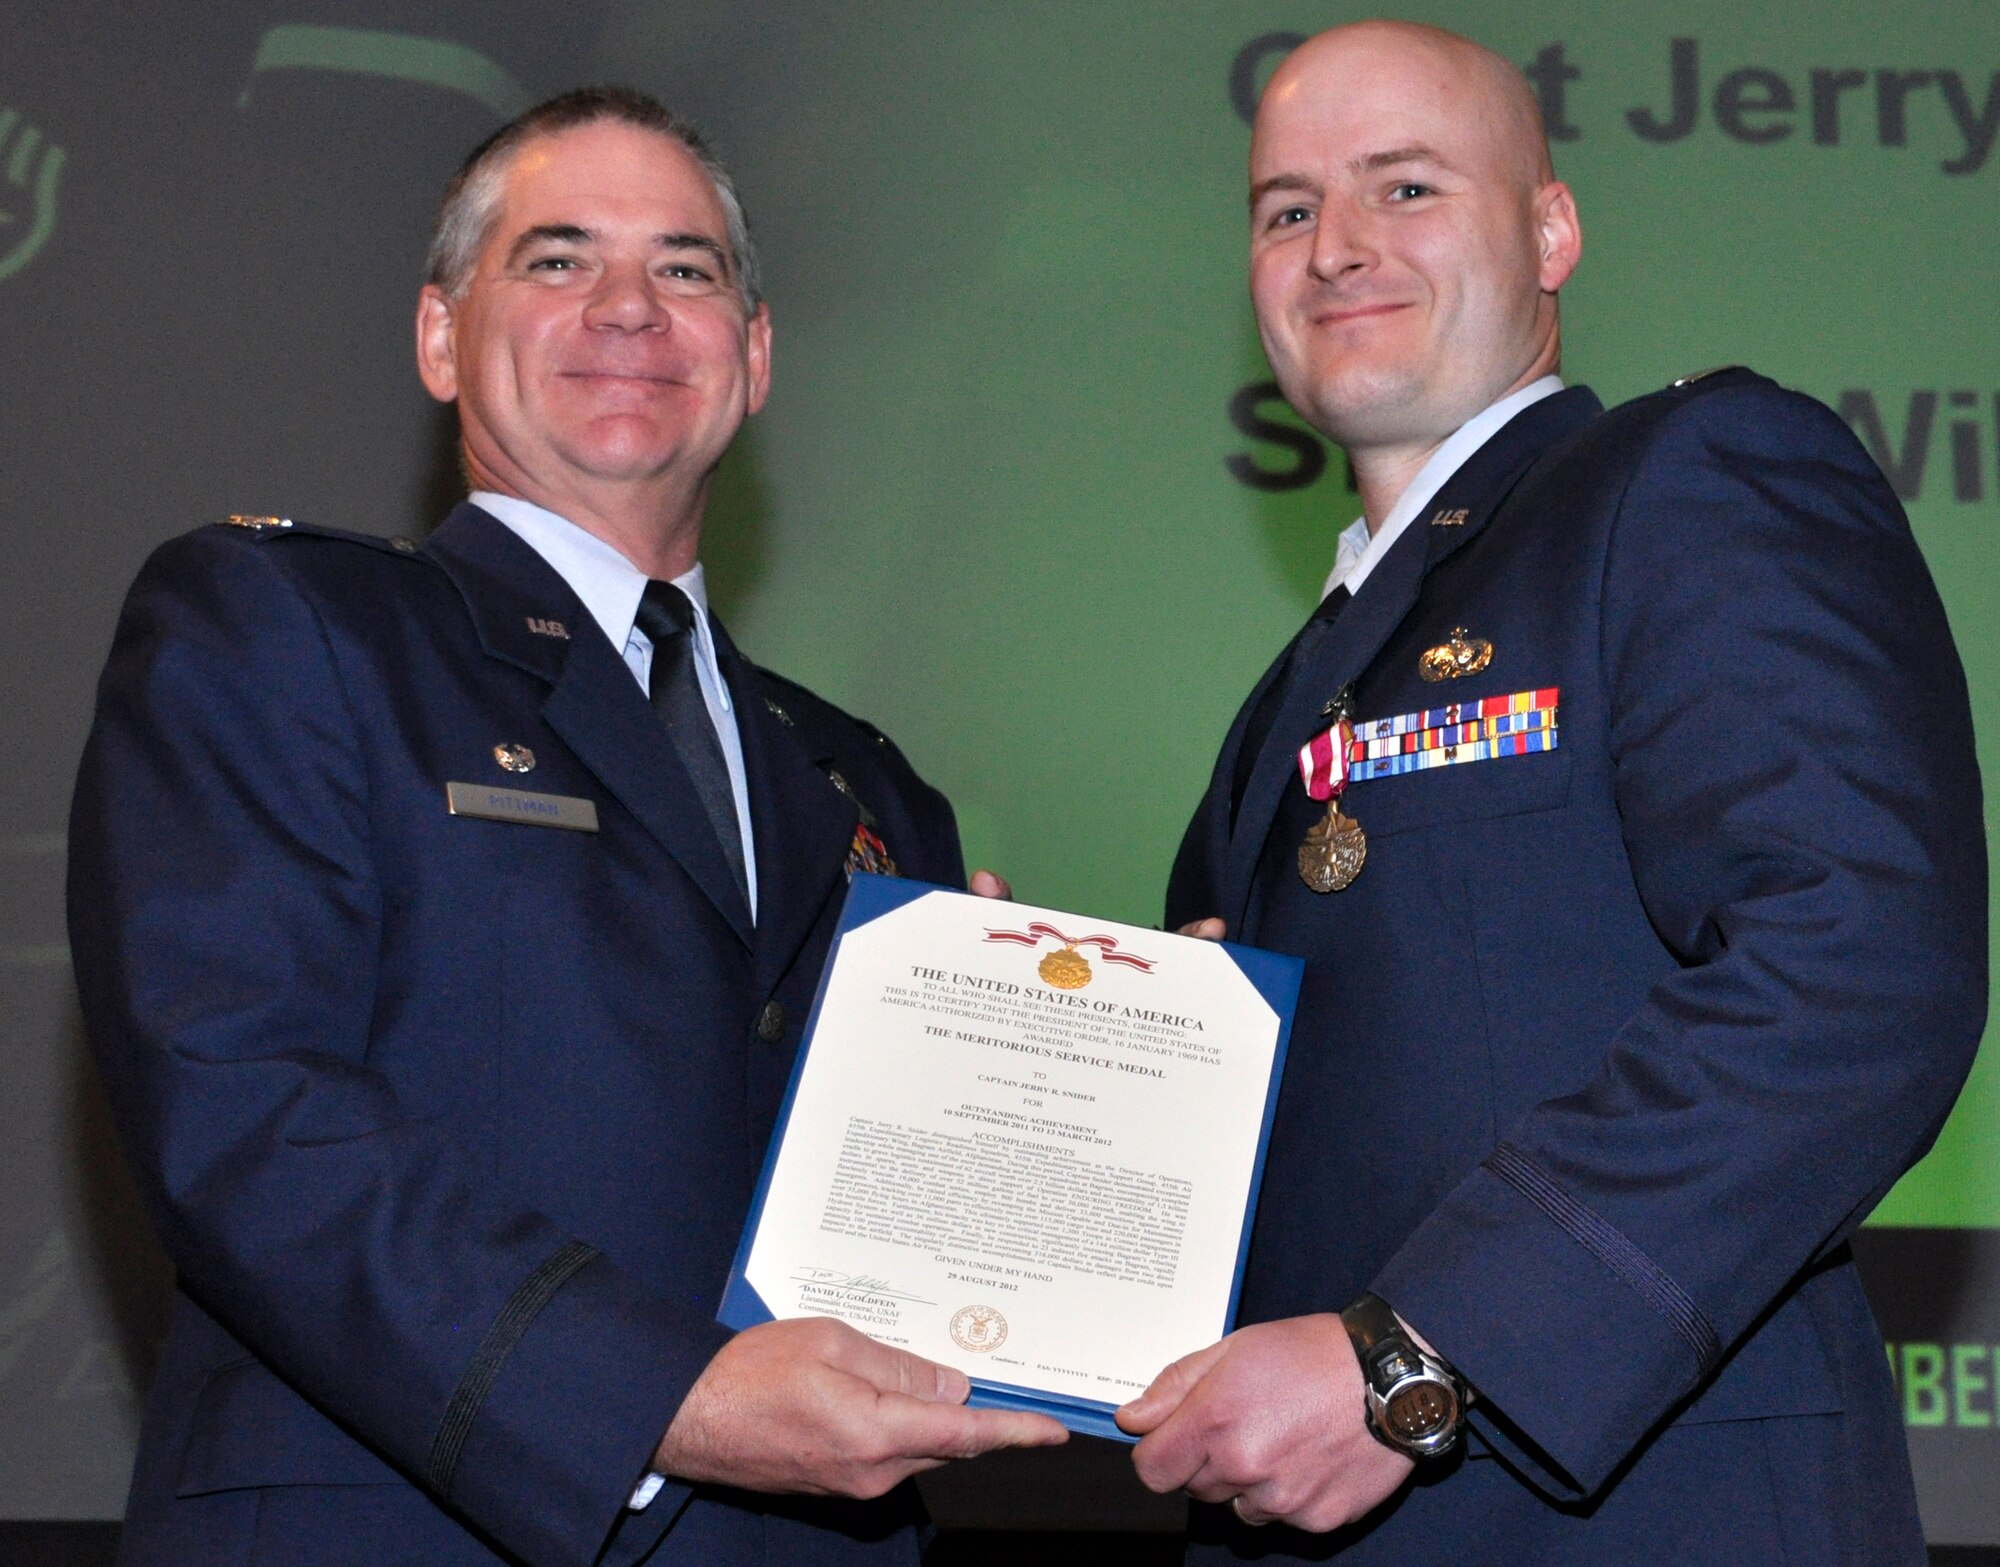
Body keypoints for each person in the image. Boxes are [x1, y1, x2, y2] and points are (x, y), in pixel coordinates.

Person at [67, 87, 1062, 1567]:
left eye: (686, 267)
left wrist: (1072, 1071)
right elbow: (242, 1103)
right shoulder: (283, 627)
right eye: (555, 258)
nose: (629, 309)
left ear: (757, 355)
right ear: (437, 335)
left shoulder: (858, 779)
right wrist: (658, 1396)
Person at [1119, 22, 1985, 1565]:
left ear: (1552, 229)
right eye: (1287, 209)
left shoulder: (1691, 475)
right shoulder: (1295, 691)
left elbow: (1858, 965)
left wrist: (1418, 1353)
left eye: (1406, 187)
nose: (1338, 249)